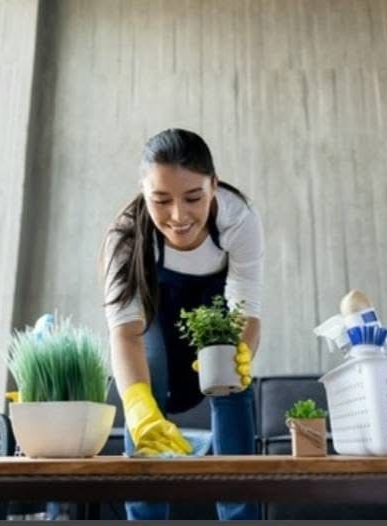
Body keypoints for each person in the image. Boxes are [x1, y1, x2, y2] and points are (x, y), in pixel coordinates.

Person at [102, 129, 263, 520]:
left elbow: (247, 310)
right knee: (148, 384)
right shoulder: (126, 235)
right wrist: (137, 406)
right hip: (154, 318)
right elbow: (125, 333)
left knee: (231, 380)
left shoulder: (238, 219)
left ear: (214, 185)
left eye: (193, 198)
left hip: (214, 310)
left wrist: (240, 350)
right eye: (160, 200)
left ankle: (239, 517)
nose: (178, 216)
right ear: (144, 193)